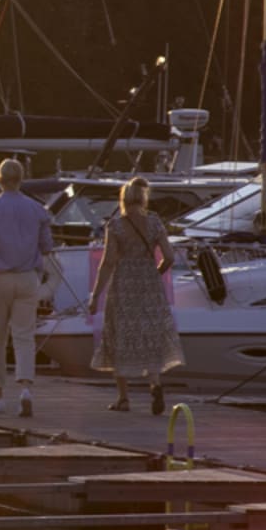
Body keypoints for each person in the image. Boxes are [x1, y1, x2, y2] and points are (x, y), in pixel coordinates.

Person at [89, 175, 184, 413]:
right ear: (143, 198)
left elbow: (109, 262)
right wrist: (156, 272)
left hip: (124, 284)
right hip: (149, 282)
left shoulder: (116, 225)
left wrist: (95, 295)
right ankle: (155, 384)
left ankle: (123, 399)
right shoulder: (154, 222)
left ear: (123, 199)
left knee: (119, 336)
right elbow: (170, 256)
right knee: (150, 335)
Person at [0, 158, 54, 417]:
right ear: (21, 179)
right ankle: (26, 390)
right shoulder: (38, 210)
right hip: (28, 278)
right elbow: (47, 247)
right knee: (24, 337)